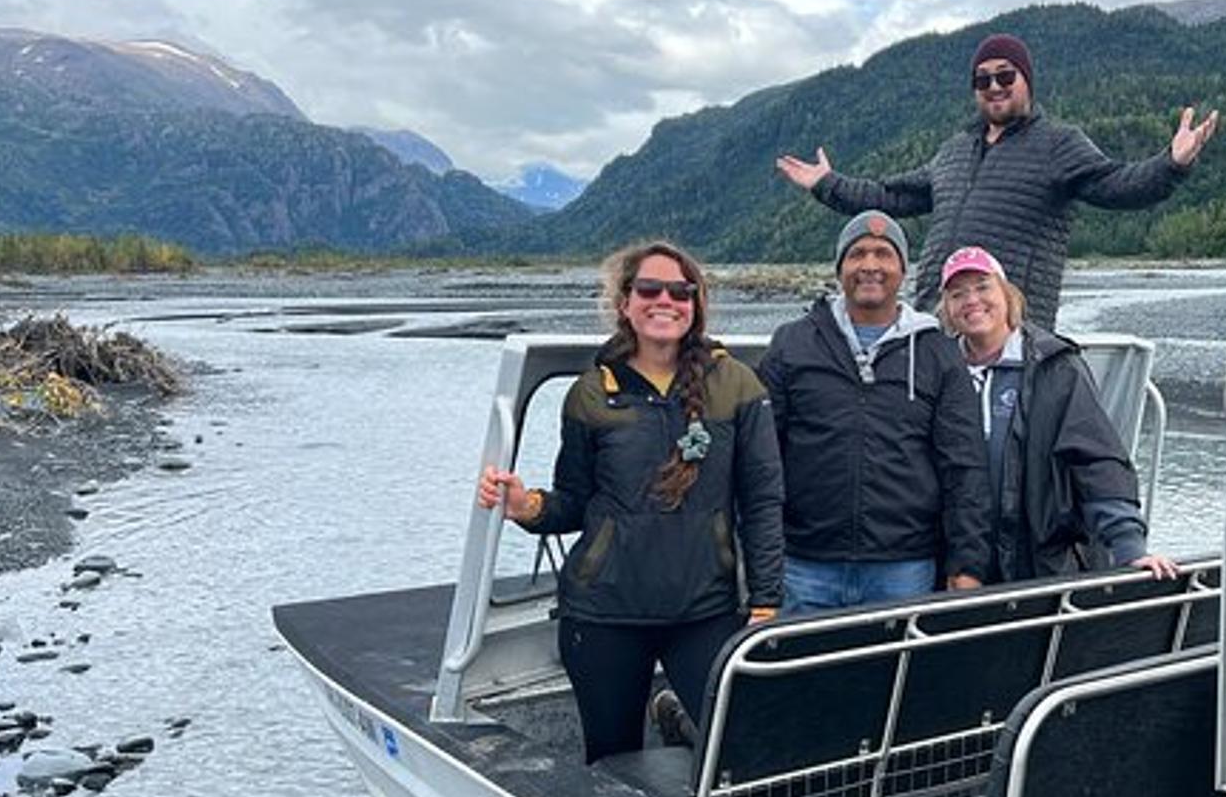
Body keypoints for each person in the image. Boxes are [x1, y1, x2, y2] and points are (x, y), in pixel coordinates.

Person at [478, 242, 783, 763]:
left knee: (741, 747)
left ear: (696, 305)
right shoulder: (592, 393)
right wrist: (526, 505)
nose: (665, 300)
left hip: (703, 611)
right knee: (613, 760)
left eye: (680, 292)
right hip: (603, 616)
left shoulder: (736, 384)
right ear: (625, 303)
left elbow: (763, 500)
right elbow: (575, 502)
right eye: (649, 289)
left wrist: (766, 601)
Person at [775, 32, 1218, 329]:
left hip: (1009, 336)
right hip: (935, 326)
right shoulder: (953, 151)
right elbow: (889, 195)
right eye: (982, 79)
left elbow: (1119, 184)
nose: (994, 85)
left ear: (1027, 81)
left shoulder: (1058, 144)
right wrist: (826, 183)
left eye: (1006, 75)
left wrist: (1172, 163)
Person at [758, 210, 991, 612]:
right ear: (839, 268)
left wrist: (968, 564)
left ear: (903, 270)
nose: (870, 265)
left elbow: (964, 466)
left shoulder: (938, 353)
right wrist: (763, 558)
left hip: (905, 566)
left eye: (884, 254)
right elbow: (762, 458)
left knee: (895, 677)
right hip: (805, 563)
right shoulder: (791, 344)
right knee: (805, 676)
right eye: (857, 254)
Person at [936, 245, 1179, 583]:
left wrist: (1129, 547)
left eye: (982, 286)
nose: (971, 300)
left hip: (1041, 565)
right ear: (947, 310)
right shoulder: (938, 372)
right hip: (960, 570)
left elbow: (1096, 459)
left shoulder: (1057, 369)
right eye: (957, 294)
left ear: (1007, 294)